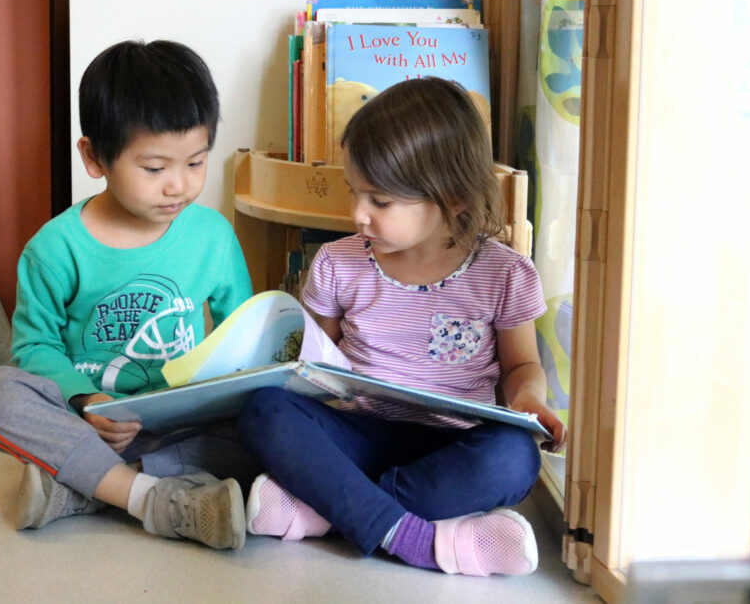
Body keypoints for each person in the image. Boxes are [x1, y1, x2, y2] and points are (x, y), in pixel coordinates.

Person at [238, 77, 568, 577]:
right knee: (264, 409)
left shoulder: (504, 273)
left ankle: (329, 509)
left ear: (453, 199)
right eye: (355, 193)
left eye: (380, 202)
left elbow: (521, 365)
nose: (357, 214)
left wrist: (528, 400)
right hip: (358, 429)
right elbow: (311, 364)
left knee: (513, 457)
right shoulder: (336, 263)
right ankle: (428, 539)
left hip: (452, 442)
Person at [0, 40, 256, 550]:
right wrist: (89, 401)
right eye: (154, 168)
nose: (179, 186)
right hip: (87, 425)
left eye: (196, 162)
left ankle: (86, 491)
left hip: (180, 424)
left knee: (275, 424)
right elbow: (34, 348)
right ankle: (153, 497)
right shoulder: (55, 248)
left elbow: (243, 334)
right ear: (95, 157)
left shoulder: (213, 235)